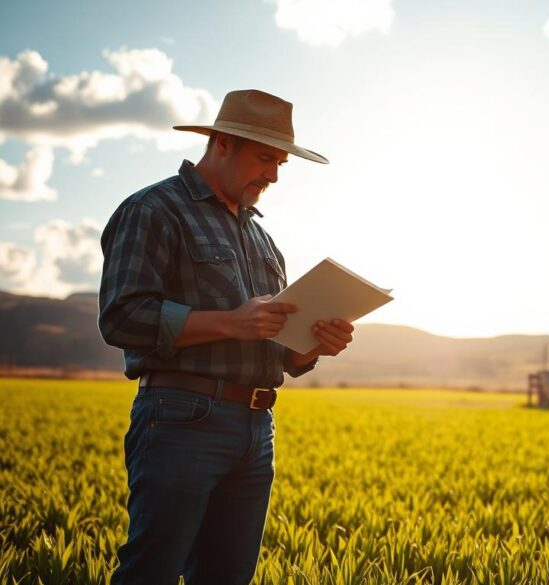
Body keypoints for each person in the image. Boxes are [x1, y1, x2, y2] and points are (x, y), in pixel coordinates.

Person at [99, 89, 354, 585]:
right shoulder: (154, 209)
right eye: (265, 158)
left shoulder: (262, 238)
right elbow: (121, 318)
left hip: (257, 428)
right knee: (150, 572)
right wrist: (232, 321)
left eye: (280, 162)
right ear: (220, 143)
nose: (274, 175)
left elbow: (276, 349)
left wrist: (314, 344)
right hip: (180, 420)